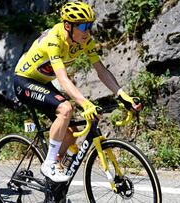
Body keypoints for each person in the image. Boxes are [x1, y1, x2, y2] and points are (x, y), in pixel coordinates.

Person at [13, 2, 142, 182]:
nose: (87, 31)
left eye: (89, 26)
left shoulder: (85, 41)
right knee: (66, 110)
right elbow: (63, 78)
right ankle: (49, 163)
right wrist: (85, 103)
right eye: (82, 26)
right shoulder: (54, 40)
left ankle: (55, 176)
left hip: (43, 81)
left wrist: (123, 95)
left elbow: (101, 70)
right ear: (68, 26)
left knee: (71, 131)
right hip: (24, 80)